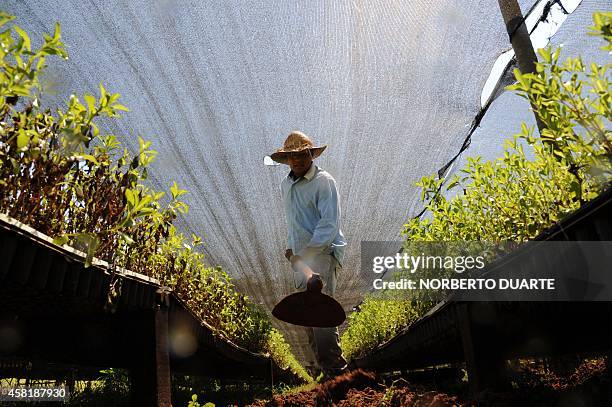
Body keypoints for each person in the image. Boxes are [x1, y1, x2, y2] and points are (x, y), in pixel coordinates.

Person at [269, 130, 348, 377]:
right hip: (301, 259)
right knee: (308, 320)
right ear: (286, 159)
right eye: (292, 156)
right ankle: (327, 372)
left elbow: (329, 224)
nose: (297, 160)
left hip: (322, 254)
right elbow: (295, 222)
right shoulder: (286, 185)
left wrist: (307, 253)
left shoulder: (324, 182)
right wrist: (293, 250)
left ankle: (338, 372)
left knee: (321, 315)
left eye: (302, 155)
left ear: (310, 155)